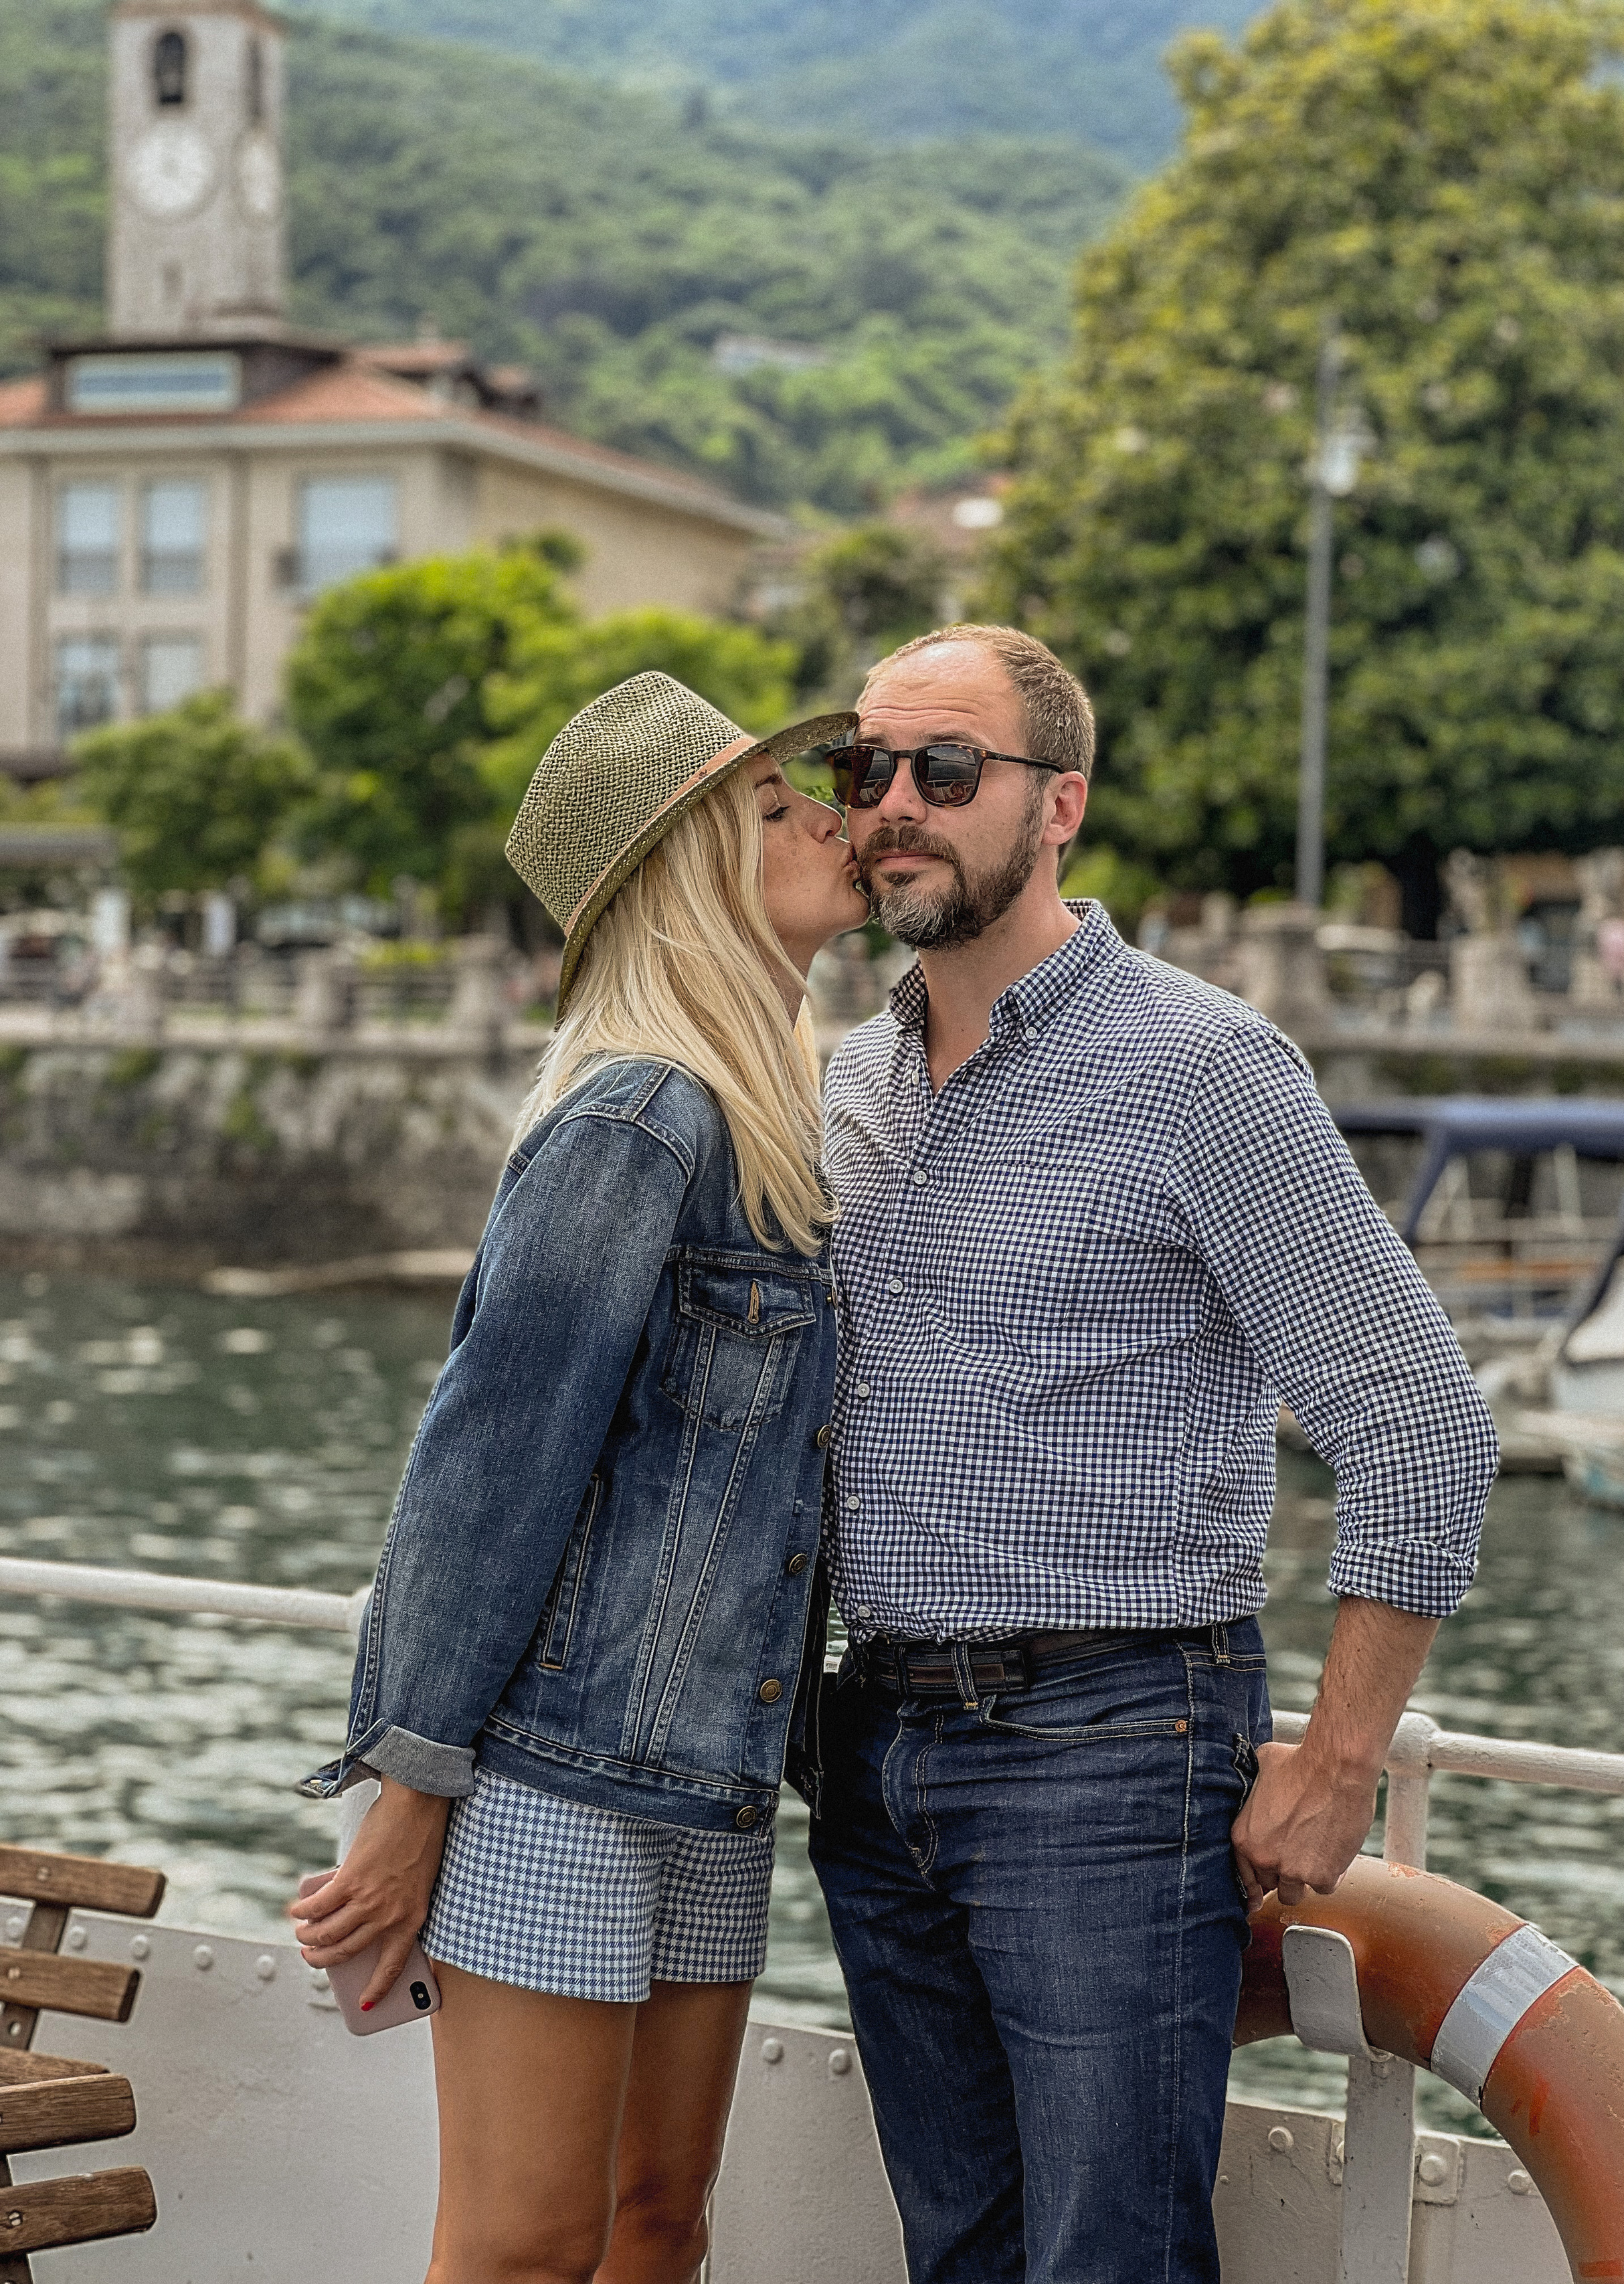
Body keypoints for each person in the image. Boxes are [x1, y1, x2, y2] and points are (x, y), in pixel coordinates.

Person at [806, 624, 1499, 2283]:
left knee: (1105, 2261)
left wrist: (1336, 1761)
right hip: (869, 1746)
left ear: (1060, 808)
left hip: (1106, 1754)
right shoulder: (848, 1078)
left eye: (945, 771)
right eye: (863, 770)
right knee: (957, 2251)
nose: (893, 804)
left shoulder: (1199, 1069)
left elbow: (1416, 1424)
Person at [290, 671, 868, 2284]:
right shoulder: (639, 1119)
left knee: (655, 2232)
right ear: (691, 873)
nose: (832, 813)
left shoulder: (776, 1126)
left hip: (706, 1780)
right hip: (556, 1783)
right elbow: (484, 1477)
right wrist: (407, 1804)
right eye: (776, 804)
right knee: (523, 2248)